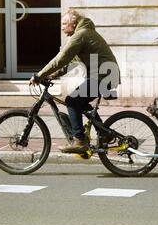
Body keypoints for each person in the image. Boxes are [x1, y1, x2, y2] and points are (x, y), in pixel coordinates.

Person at [30, 9, 120, 154]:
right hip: (106, 76)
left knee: (72, 101)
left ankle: (79, 141)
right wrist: (53, 75)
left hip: (103, 77)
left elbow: (61, 59)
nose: (62, 27)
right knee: (81, 103)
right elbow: (70, 62)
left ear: (74, 23)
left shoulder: (81, 35)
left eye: (64, 24)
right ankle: (104, 132)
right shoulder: (83, 34)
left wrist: (39, 75)